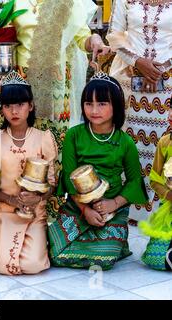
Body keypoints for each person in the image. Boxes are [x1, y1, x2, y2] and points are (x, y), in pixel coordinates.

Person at [0, 0, 109, 145]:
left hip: (55, 81)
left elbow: (82, 38)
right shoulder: (10, 2)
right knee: (15, 139)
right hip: (19, 81)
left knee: (53, 139)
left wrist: (95, 39)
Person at [48, 72, 148, 270]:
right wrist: (85, 209)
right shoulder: (73, 136)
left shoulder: (125, 142)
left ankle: (116, 244)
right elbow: (68, 177)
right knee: (55, 254)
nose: (94, 110)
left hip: (112, 209)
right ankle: (114, 242)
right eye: (88, 103)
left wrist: (113, 203)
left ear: (116, 105)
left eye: (102, 103)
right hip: (77, 206)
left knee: (103, 259)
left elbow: (135, 181)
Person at [107, 0, 172, 222]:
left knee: (164, 144)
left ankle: (162, 210)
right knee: (129, 142)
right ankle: (128, 208)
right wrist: (138, 62)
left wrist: (161, 69)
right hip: (129, 78)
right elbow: (114, 35)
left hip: (169, 81)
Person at [0, 71, 57, 275]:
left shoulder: (44, 138)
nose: (14, 111)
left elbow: (52, 183)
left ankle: (40, 240)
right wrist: (13, 200)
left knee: (33, 265)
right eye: (8, 106)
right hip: (5, 211)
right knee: (3, 267)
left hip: (36, 212)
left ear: (31, 106)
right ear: (2, 110)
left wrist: (37, 198)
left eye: (20, 104)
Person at [139, 100, 172, 271]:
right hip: (169, 207)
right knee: (156, 259)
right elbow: (155, 179)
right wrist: (168, 195)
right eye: (171, 109)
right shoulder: (165, 143)